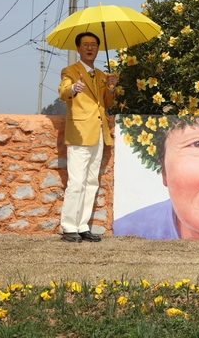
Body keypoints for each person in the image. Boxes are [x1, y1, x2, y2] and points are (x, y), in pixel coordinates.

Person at [58, 32, 118, 243]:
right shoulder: (70, 71)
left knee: (92, 181)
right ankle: (68, 226)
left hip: (99, 133)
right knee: (76, 182)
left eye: (93, 45)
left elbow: (108, 103)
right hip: (80, 133)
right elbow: (63, 91)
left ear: (98, 49)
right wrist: (74, 88)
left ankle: (82, 225)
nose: (89, 48)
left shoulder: (102, 75)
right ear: (78, 49)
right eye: (85, 45)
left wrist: (111, 87)